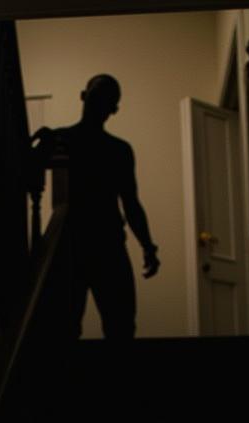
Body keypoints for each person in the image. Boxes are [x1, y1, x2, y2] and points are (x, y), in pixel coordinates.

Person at [33, 74, 159, 340]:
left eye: (106, 99)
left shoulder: (117, 150)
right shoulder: (62, 140)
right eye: (96, 96)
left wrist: (148, 245)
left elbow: (131, 202)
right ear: (83, 96)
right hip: (72, 244)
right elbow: (28, 172)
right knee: (68, 327)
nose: (99, 103)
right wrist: (36, 152)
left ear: (113, 109)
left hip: (104, 243)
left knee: (119, 325)